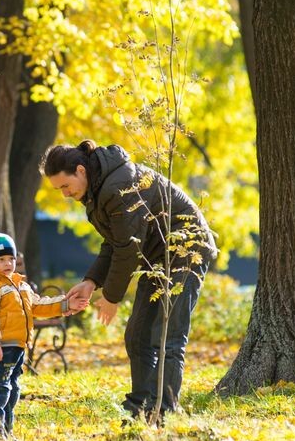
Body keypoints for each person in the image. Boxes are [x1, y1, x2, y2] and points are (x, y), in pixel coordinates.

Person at [41, 140, 218, 420]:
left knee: (167, 333)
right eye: (58, 189)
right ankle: (140, 405)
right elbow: (115, 243)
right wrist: (91, 282)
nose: (64, 194)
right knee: (137, 333)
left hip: (186, 249)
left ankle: (164, 410)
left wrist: (111, 297)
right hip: (155, 256)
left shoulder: (117, 186)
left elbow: (128, 248)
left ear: (80, 170)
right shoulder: (96, 192)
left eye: (65, 186)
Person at [0, 232, 76, 439]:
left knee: (12, 391)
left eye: (11, 258)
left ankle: (6, 431)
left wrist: (65, 305)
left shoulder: (20, 285)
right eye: (1, 259)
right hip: (0, 348)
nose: (8, 263)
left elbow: (38, 305)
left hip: (17, 347)